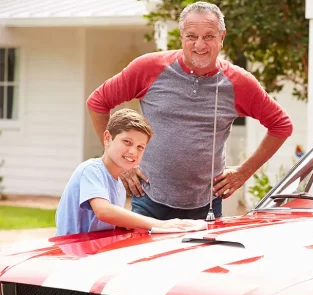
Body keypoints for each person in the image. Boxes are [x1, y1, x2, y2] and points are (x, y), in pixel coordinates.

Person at [86, 1, 293, 220]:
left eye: (209, 36)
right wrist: (119, 161)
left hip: (207, 206)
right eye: (192, 36)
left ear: (222, 37)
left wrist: (244, 172)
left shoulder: (238, 83)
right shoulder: (148, 68)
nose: (200, 45)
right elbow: (98, 102)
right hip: (149, 200)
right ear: (181, 36)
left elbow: (281, 125)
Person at [55, 109, 198, 236]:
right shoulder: (91, 170)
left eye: (140, 147)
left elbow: (111, 222)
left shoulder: (119, 186)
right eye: (127, 142)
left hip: (93, 253)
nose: (133, 152)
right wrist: (160, 224)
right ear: (107, 138)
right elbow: (103, 211)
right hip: (71, 254)